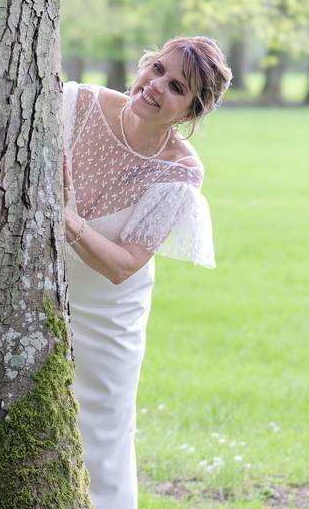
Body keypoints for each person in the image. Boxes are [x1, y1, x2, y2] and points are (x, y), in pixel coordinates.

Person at [62, 36, 232, 508]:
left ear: (189, 113)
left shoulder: (180, 171)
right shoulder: (76, 103)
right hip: (37, 292)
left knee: (103, 434)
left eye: (175, 86)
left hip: (108, 313)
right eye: (157, 69)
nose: (155, 86)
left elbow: (123, 265)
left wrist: (65, 218)